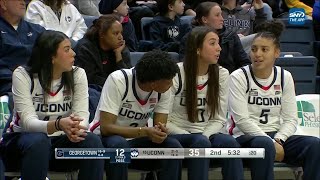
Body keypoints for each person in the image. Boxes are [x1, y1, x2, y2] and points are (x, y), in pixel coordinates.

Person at [0, 30, 104, 180]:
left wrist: (76, 128)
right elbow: (28, 123)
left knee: (91, 141)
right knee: (39, 140)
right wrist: (58, 125)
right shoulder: (23, 75)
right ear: (51, 57)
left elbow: (82, 116)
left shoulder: (77, 74)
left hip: (58, 144)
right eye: (67, 49)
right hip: (21, 143)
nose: (74, 53)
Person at [227, 20, 320, 180]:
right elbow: (242, 120)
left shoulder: (285, 77)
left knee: (315, 145)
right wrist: (271, 143)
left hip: (277, 137)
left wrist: (278, 139)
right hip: (244, 137)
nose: (257, 54)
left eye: (264, 49)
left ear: (277, 52)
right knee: (264, 145)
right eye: (254, 49)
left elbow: (291, 119)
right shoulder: (238, 76)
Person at [89, 49, 182, 180]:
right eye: (168, 81)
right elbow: (106, 128)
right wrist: (144, 131)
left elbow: (158, 126)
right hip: (105, 139)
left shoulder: (164, 90)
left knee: (173, 147)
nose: (171, 84)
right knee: (119, 145)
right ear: (153, 83)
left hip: (136, 141)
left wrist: (159, 133)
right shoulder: (118, 80)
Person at [167, 26, 244, 180]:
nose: (219, 48)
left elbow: (219, 118)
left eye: (219, 43)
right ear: (197, 49)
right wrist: (192, 137)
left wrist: (204, 136)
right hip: (178, 134)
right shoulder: (176, 72)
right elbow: (164, 119)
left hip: (206, 134)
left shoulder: (222, 74)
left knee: (230, 143)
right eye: (213, 43)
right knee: (200, 143)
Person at [180, 2, 250, 73]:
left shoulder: (231, 35)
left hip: (230, 78)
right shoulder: (189, 38)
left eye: (221, 15)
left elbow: (244, 62)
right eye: (217, 15)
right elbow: (186, 65)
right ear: (204, 20)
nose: (222, 19)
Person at [0, 0, 45, 95]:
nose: (23, 2)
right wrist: (19, 78)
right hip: (8, 85)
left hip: (39, 82)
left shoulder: (37, 30)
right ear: (3, 4)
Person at [75, 14, 131, 87]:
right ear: (102, 34)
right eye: (116, 33)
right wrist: (115, 84)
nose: (120, 37)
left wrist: (118, 57)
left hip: (115, 88)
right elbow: (89, 79)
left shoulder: (120, 48)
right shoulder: (85, 49)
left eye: (121, 33)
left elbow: (128, 79)